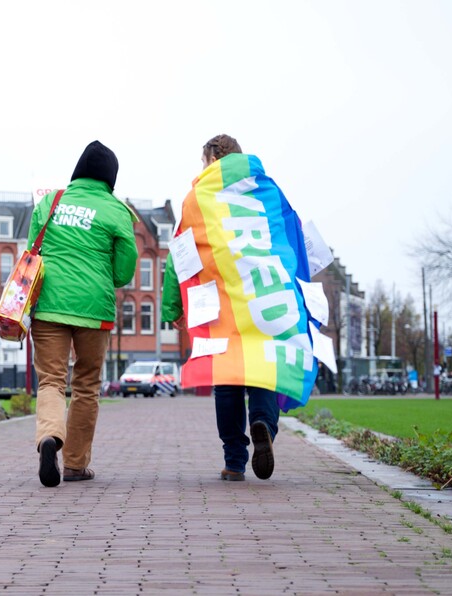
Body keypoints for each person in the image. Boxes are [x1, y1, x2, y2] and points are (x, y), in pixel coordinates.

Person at [162, 134, 314, 482]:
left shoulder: (198, 197)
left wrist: (173, 307)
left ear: (214, 157)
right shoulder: (270, 192)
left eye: (203, 162)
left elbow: (180, 256)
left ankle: (234, 461)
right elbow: (292, 233)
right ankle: (264, 425)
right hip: (265, 298)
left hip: (220, 306)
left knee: (227, 379)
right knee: (262, 370)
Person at [32, 140, 137, 487]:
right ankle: (76, 465)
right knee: (87, 384)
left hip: (48, 304)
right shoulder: (117, 210)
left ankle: (50, 437)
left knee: (51, 380)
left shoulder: (51, 200)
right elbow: (123, 272)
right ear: (111, 179)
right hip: (94, 309)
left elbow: (34, 250)